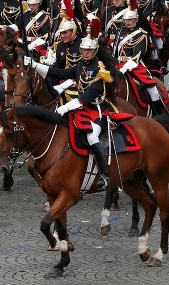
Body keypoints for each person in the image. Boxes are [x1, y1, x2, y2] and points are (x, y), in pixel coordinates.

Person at [26, 19, 114, 190]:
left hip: (96, 110)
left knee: (91, 136)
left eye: (89, 50)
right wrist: (36, 66)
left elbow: (88, 95)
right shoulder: (80, 65)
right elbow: (60, 72)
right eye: (84, 50)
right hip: (82, 109)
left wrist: (65, 107)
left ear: (95, 51)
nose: (86, 53)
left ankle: (105, 175)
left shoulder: (100, 69)